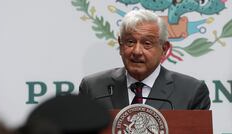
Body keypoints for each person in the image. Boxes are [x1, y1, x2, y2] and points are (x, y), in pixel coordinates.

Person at [79, 9, 210, 110]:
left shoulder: (192, 92)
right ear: (120, 44)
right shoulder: (93, 88)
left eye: (147, 43)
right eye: (130, 42)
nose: (136, 51)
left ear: (164, 48)